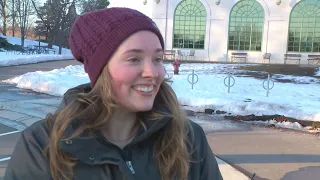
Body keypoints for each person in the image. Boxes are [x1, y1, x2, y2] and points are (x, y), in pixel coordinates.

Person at [4, 7, 223, 180]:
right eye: (134, 59)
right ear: (100, 70)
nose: (153, 73)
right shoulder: (43, 145)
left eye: (157, 59)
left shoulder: (187, 138)